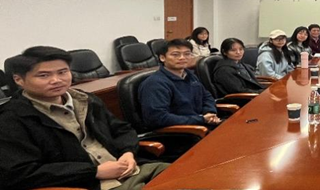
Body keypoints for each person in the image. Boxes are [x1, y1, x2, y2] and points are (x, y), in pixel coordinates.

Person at [0, 47, 168, 190]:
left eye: (62, 72)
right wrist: (94, 172)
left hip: (131, 169)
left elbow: (121, 129)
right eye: (43, 75)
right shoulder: (11, 119)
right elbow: (19, 173)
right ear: (19, 80)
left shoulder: (86, 100)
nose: (56, 80)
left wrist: (128, 152)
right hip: (89, 184)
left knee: (180, 174)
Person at [138, 39, 221, 130]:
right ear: (162, 58)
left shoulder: (190, 75)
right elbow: (157, 118)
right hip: (182, 132)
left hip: (200, 124)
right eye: (175, 54)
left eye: (187, 54)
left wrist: (209, 112)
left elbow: (206, 96)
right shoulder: (155, 83)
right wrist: (201, 119)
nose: (182, 58)